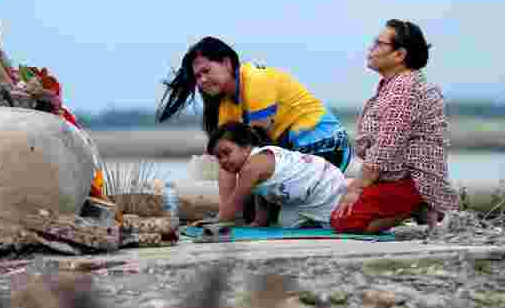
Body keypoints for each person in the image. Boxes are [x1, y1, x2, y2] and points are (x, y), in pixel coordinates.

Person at [156, 37, 352, 220]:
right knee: (249, 212)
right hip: (293, 154)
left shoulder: (256, 81)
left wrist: (233, 211)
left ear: (226, 63)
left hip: (326, 146)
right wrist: (224, 214)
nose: (202, 81)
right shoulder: (226, 105)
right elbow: (227, 163)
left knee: (260, 211)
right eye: (197, 76)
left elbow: (256, 153)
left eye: (206, 71)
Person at [331, 20, 459, 234]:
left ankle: (418, 207)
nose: (371, 49)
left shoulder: (404, 88)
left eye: (379, 44)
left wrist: (357, 188)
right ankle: (414, 210)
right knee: (337, 205)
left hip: (413, 180)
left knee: (344, 222)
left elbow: (385, 148)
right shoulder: (395, 84)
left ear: (400, 55)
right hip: (392, 177)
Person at [208, 122, 348, 228]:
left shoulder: (251, 167)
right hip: (305, 196)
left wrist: (219, 221)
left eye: (227, 153)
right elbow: (261, 193)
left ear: (246, 147)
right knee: (285, 223)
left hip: (324, 184)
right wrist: (259, 221)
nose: (223, 161)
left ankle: (322, 221)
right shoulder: (253, 164)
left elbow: (235, 201)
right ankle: (312, 222)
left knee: (336, 224)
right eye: (218, 157)